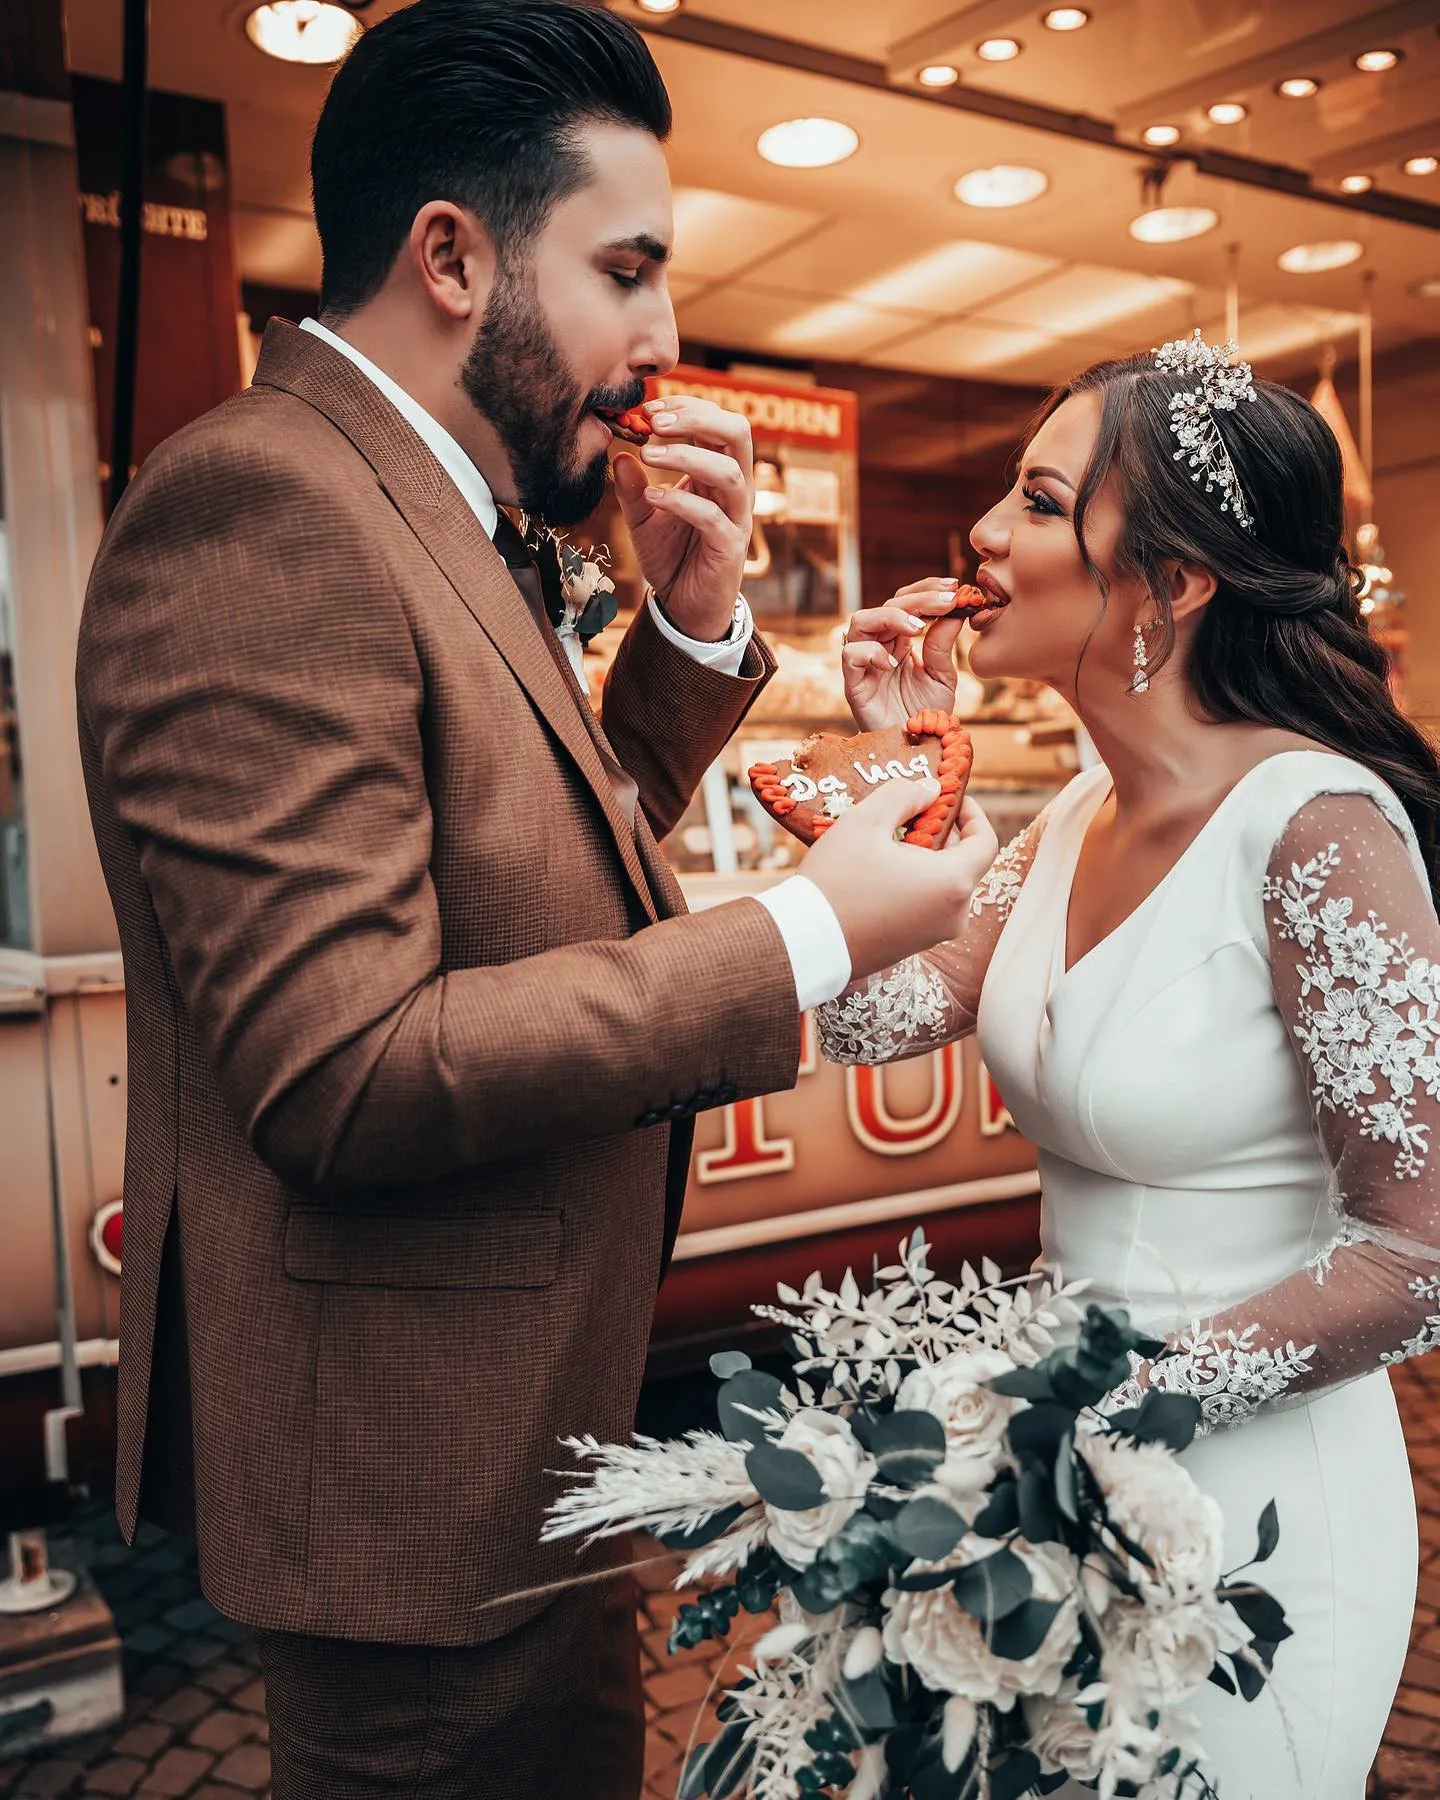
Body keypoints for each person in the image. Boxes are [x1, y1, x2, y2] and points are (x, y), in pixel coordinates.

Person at [73, 3, 997, 1795]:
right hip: (407, 1489)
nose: (661, 337)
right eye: (628, 270)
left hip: (522, 1442)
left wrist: (692, 631)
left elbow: (527, 886)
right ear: (451, 256)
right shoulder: (265, 508)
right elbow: (342, 1071)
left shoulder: (432, 506)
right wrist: (812, 932)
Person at [819, 332, 1440, 1798]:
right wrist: (903, 770)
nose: (981, 534)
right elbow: (863, 1024)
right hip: (1050, 1479)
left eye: (1039, 502)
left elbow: (1420, 1252)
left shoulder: (1314, 828)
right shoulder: (1072, 818)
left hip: (1252, 1507)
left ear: (1170, 583)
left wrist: (1126, 1406)